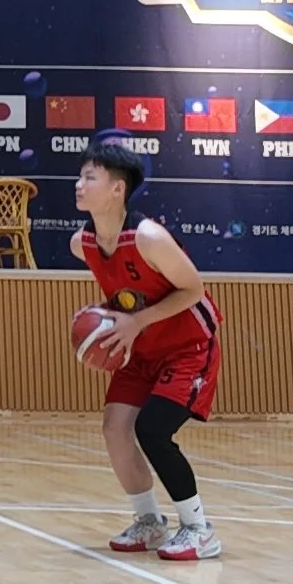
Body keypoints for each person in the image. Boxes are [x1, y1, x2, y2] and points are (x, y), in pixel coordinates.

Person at [72, 136, 222, 561]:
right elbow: (126, 292)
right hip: (141, 347)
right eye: (80, 177)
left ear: (117, 188)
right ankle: (150, 523)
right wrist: (103, 321)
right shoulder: (81, 243)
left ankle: (198, 528)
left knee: (153, 429)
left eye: (89, 177)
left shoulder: (149, 237)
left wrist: (135, 321)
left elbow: (194, 290)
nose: (79, 185)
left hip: (188, 346)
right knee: (114, 428)